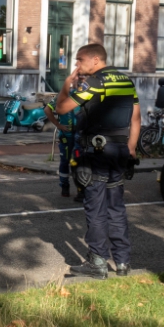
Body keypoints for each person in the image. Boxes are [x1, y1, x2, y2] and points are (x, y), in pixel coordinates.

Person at [54, 43, 140, 279]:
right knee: (116, 207)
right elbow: (136, 119)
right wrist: (130, 149)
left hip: (97, 153)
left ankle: (97, 261)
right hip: (119, 151)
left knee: (96, 207)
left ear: (95, 60)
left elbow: (61, 109)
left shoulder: (95, 82)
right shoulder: (125, 80)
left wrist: (65, 86)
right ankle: (122, 262)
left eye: (79, 60)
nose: (76, 65)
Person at [44, 95, 81, 200]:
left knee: (79, 160)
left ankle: (81, 188)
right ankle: (65, 186)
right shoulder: (62, 95)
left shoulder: (85, 93)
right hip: (67, 135)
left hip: (81, 134)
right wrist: (58, 125)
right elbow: (47, 109)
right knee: (65, 161)